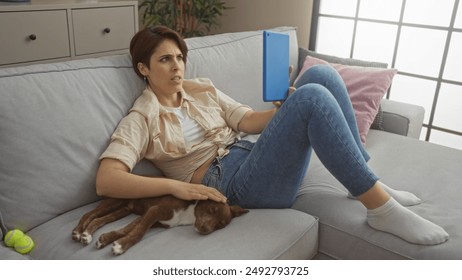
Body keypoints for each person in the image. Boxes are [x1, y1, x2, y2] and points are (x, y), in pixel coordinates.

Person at [96, 26, 448, 246]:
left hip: (250, 154)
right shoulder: (141, 117)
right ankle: (381, 209)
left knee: (321, 77)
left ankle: (369, 182)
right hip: (231, 185)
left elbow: (247, 120)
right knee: (312, 98)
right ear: (143, 68)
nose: (177, 66)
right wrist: (175, 186)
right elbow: (107, 180)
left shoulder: (200, 89)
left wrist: (284, 112)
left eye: (180, 58)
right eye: (165, 60)